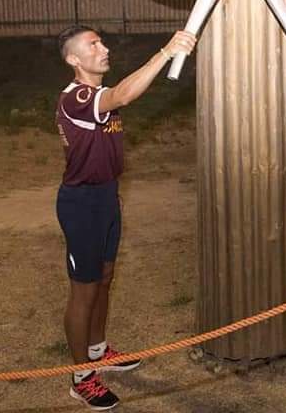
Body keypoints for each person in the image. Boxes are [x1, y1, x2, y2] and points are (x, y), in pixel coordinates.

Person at [55, 25, 196, 410]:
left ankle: (99, 351)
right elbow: (123, 95)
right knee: (83, 289)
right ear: (73, 59)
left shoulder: (99, 97)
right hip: (81, 204)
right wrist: (166, 52)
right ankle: (81, 376)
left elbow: (115, 99)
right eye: (93, 45)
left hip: (106, 198)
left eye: (101, 42)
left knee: (104, 278)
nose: (104, 48)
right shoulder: (77, 97)